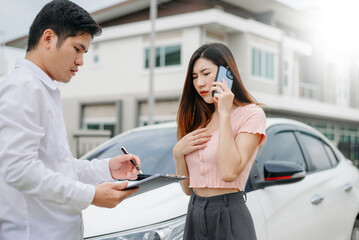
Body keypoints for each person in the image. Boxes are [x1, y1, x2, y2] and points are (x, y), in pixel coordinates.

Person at [0, 1, 141, 239]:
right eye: (77, 48)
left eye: (84, 52)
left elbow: (57, 165)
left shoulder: (41, 89)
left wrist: (106, 168)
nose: (80, 61)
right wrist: (91, 195)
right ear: (48, 38)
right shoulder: (23, 87)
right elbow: (18, 169)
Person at [173, 43, 267, 240]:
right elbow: (187, 189)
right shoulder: (198, 119)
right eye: (194, 77)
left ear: (227, 73)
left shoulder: (251, 114)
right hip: (195, 212)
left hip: (229, 213)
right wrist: (178, 153)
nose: (199, 83)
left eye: (206, 73)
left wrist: (224, 113)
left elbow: (229, 172)